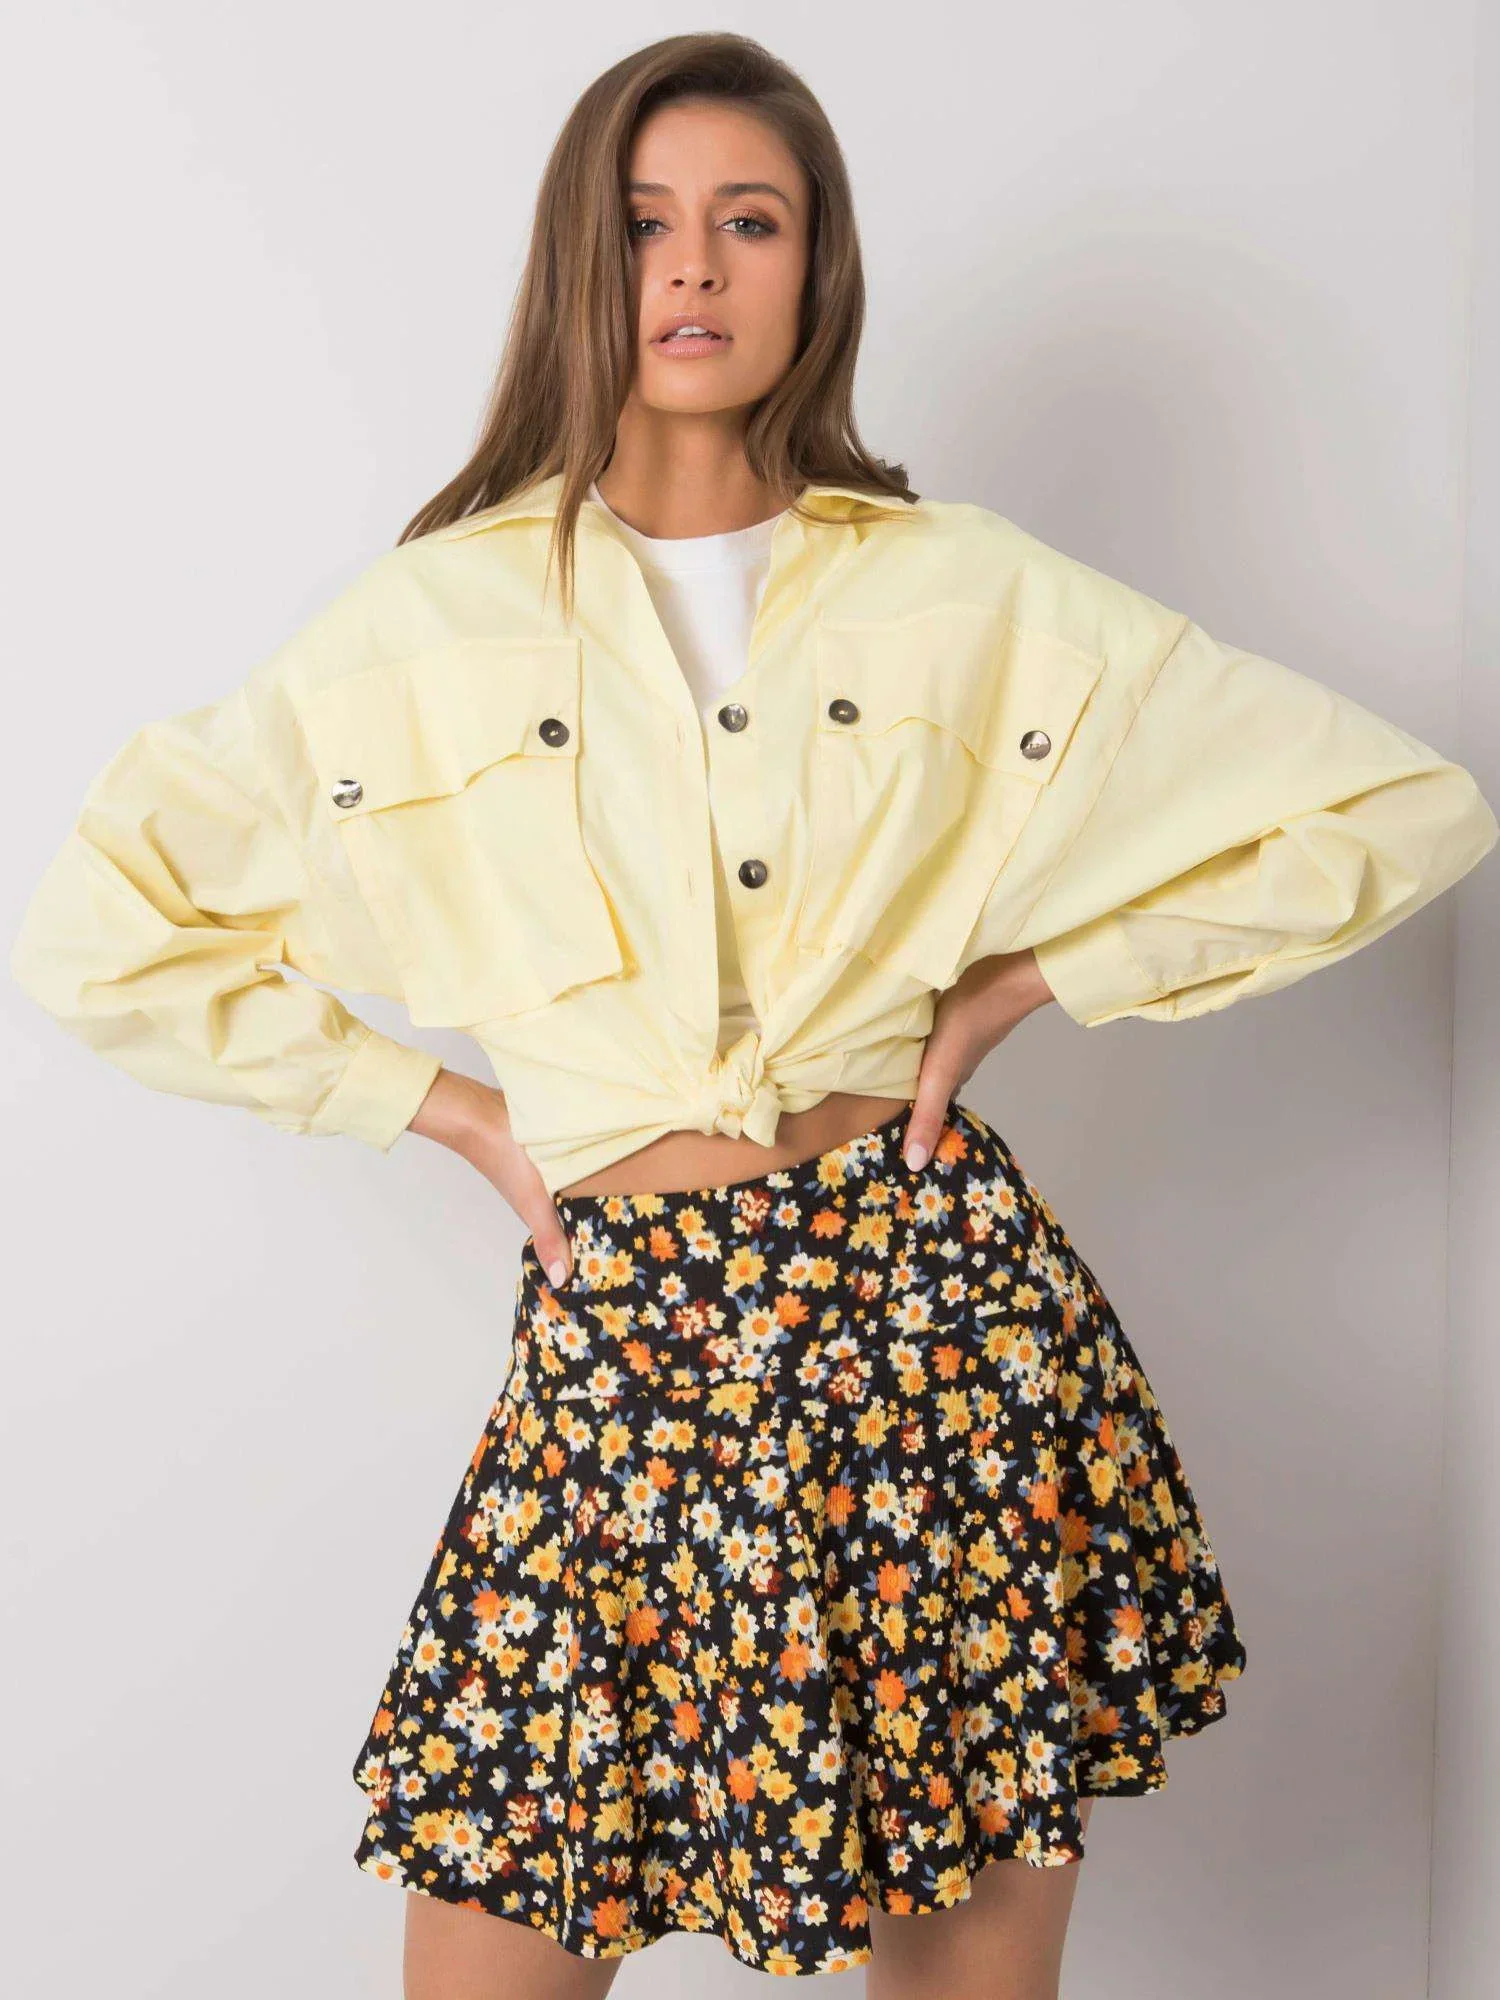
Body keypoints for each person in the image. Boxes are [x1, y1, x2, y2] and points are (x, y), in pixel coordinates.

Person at [11, 28, 1497, 2000]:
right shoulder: (426, 625)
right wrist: (451, 1112)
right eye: (646, 224)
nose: (696, 266)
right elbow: (105, 929)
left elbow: (1397, 805)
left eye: (751, 220)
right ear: (582, 260)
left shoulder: (967, 592)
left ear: (818, 265)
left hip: (933, 1324)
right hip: (623, 1338)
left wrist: (1030, 980)